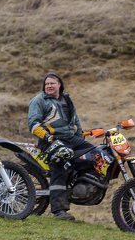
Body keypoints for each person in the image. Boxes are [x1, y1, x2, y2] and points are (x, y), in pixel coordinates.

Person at [27, 72, 97, 221]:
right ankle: (59, 210)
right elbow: (33, 124)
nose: (49, 86)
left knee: (95, 154)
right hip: (51, 141)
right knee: (59, 161)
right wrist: (47, 136)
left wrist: (80, 138)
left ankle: (78, 184)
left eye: (52, 83)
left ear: (59, 85)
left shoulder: (67, 99)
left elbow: (76, 121)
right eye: (47, 84)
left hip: (72, 139)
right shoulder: (39, 101)